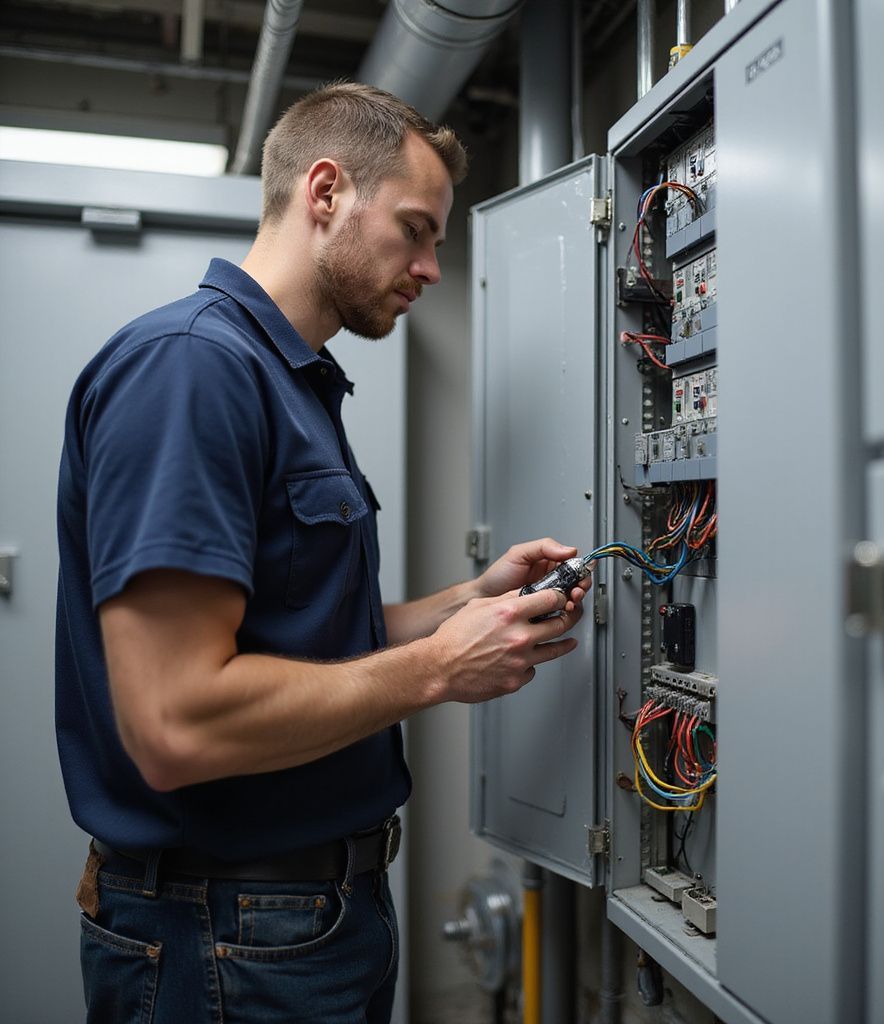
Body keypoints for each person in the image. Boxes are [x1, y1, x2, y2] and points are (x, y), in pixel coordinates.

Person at [55, 81, 589, 1024]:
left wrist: (467, 600)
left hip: (298, 919)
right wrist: (436, 670)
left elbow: (294, 633)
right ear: (328, 191)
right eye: (417, 230)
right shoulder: (194, 370)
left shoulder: (288, 381)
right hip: (224, 930)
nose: (430, 268)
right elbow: (176, 722)